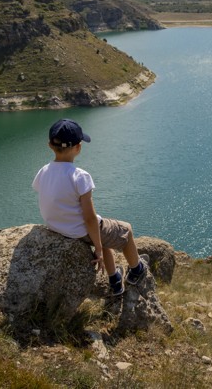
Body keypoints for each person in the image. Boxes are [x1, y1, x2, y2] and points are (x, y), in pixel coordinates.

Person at [32, 118, 145, 295]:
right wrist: (98, 249)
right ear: (78, 147)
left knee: (102, 236)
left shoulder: (44, 171)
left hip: (57, 226)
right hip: (79, 230)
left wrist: (99, 243)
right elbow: (90, 218)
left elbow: (44, 192)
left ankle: (115, 280)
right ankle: (137, 269)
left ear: (50, 145)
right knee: (126, 230)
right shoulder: (79, 176)